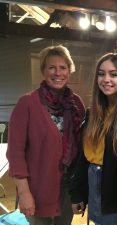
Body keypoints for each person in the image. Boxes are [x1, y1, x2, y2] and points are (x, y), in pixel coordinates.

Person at [6, 45, 85, 225]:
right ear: (43, 70)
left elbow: (81, 148)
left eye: (63, 67)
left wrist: (80, 190)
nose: (58, 73)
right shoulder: (27, 103)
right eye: (52, 67)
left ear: (69, 71)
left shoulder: (76, 104)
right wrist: (24, 192)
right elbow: (15, 153)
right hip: (37, 188)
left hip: (68, 188)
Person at [69, 53, 117, 225]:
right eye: (101, 74)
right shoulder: (93, 113)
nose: (106, 79)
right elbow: (83, 157)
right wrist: (78, 193)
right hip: (93, 185)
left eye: (114, 74)